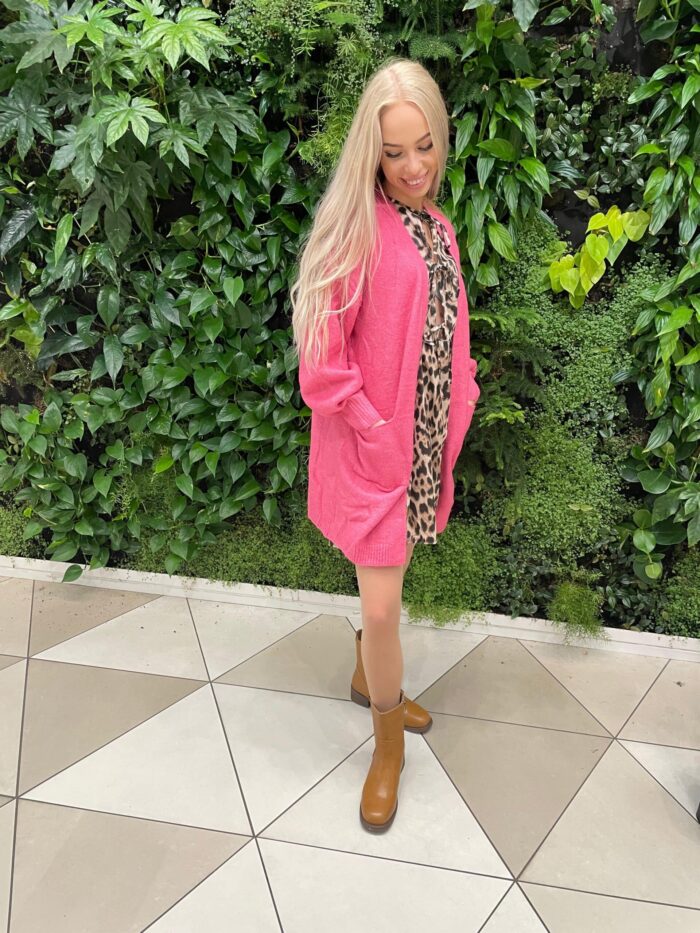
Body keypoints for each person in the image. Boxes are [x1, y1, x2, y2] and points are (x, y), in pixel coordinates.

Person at [291, 57, 480, 833]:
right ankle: (387, 743)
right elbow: (321, 359)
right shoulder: (356, 229)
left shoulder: (441, 230)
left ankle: (368, 677)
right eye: (394, 152)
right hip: (374, 452)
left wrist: (463, 392)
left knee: (384, 604)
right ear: (372, 152)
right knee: (382, 605)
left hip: (424, 445)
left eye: (424, 146)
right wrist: (370, 427)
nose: (413, 167)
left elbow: (450, 329)